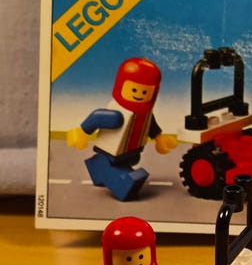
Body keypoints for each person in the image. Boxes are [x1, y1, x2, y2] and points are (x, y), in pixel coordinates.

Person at [67, 58, 176, 200]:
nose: (139, 95)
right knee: (121, 174)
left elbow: (151, 126)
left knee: (126, 163)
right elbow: (97, 117)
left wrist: (159, 138)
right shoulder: (117, 114)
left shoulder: (145, 115)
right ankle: (112, 176)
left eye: (145, 92)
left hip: (130, 153)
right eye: (134, 89)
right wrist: (80, 132)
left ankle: (99, 170)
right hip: (110, 154)